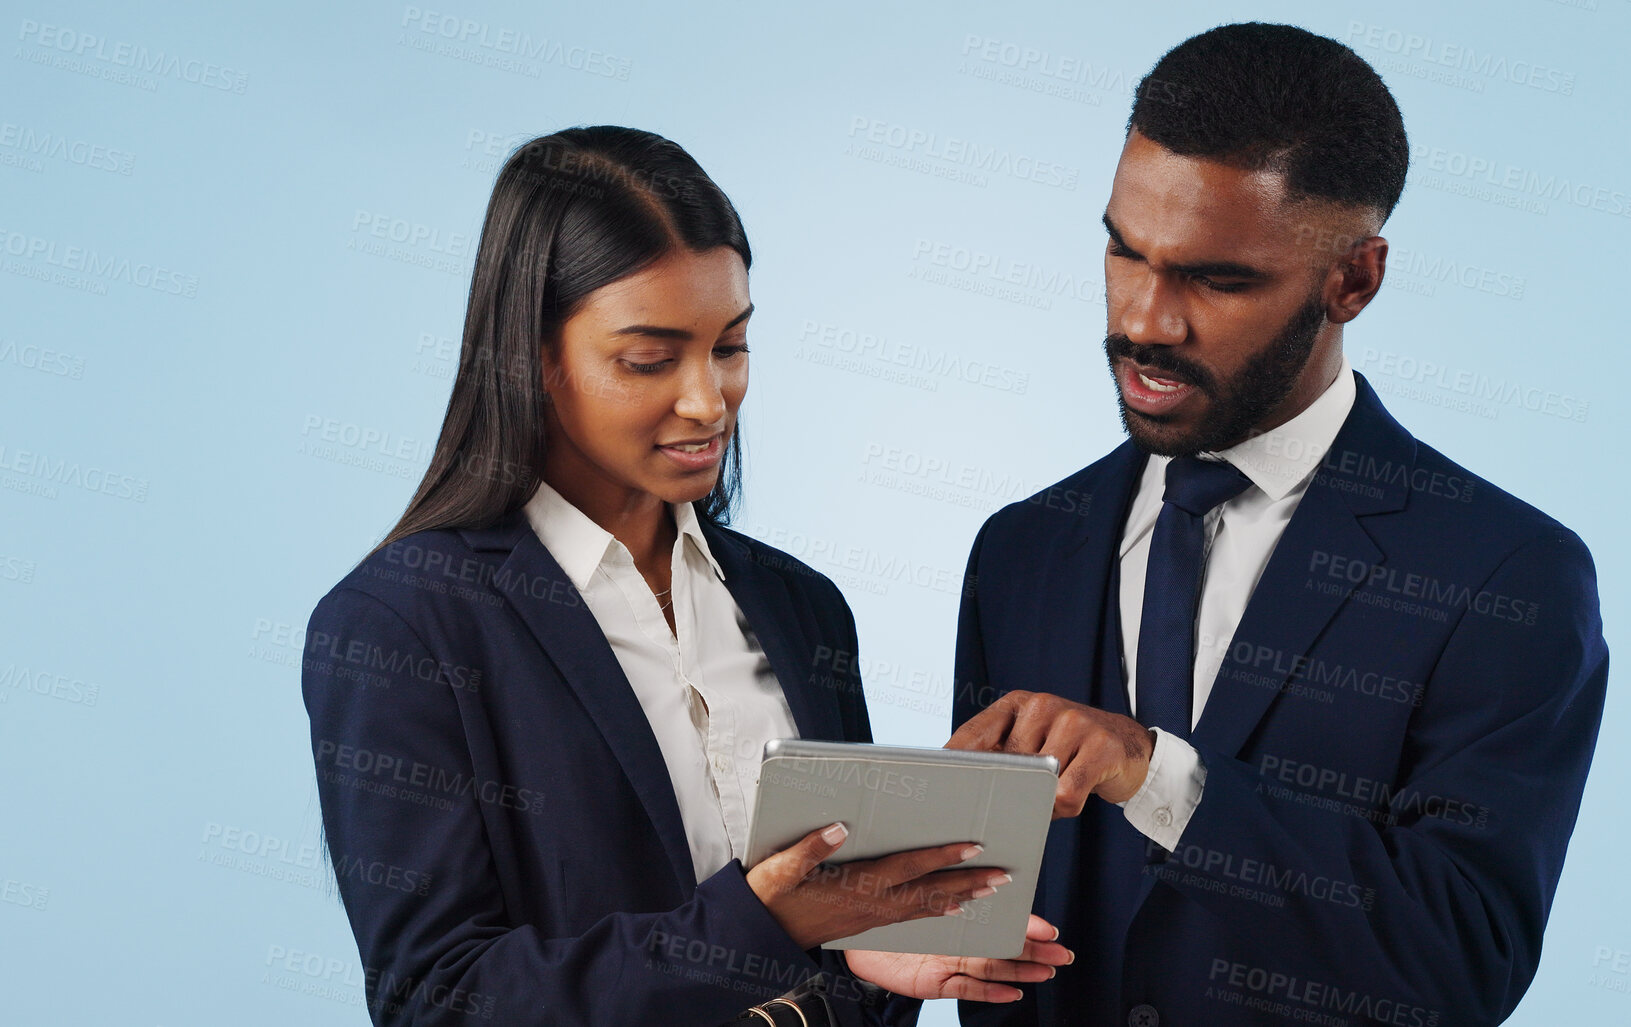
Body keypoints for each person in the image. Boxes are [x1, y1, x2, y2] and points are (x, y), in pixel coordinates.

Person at [300, 126, 1068, 1027]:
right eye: (649, 359)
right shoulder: (402, 624)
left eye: (730, 347)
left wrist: (867, 950)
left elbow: (829, 968)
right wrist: (759, 923)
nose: (708, 401)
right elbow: (440, 1002)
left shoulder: (802, 607)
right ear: (535, 359)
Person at [946, 24, 1608, 1027]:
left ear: (1355, 279)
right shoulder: (1022, 548)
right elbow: (985, 940)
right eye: (1126, 250)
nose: (1146, 320)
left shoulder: (1508, 574)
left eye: (1217, 279)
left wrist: (1161, 776)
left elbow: (1462, 958)